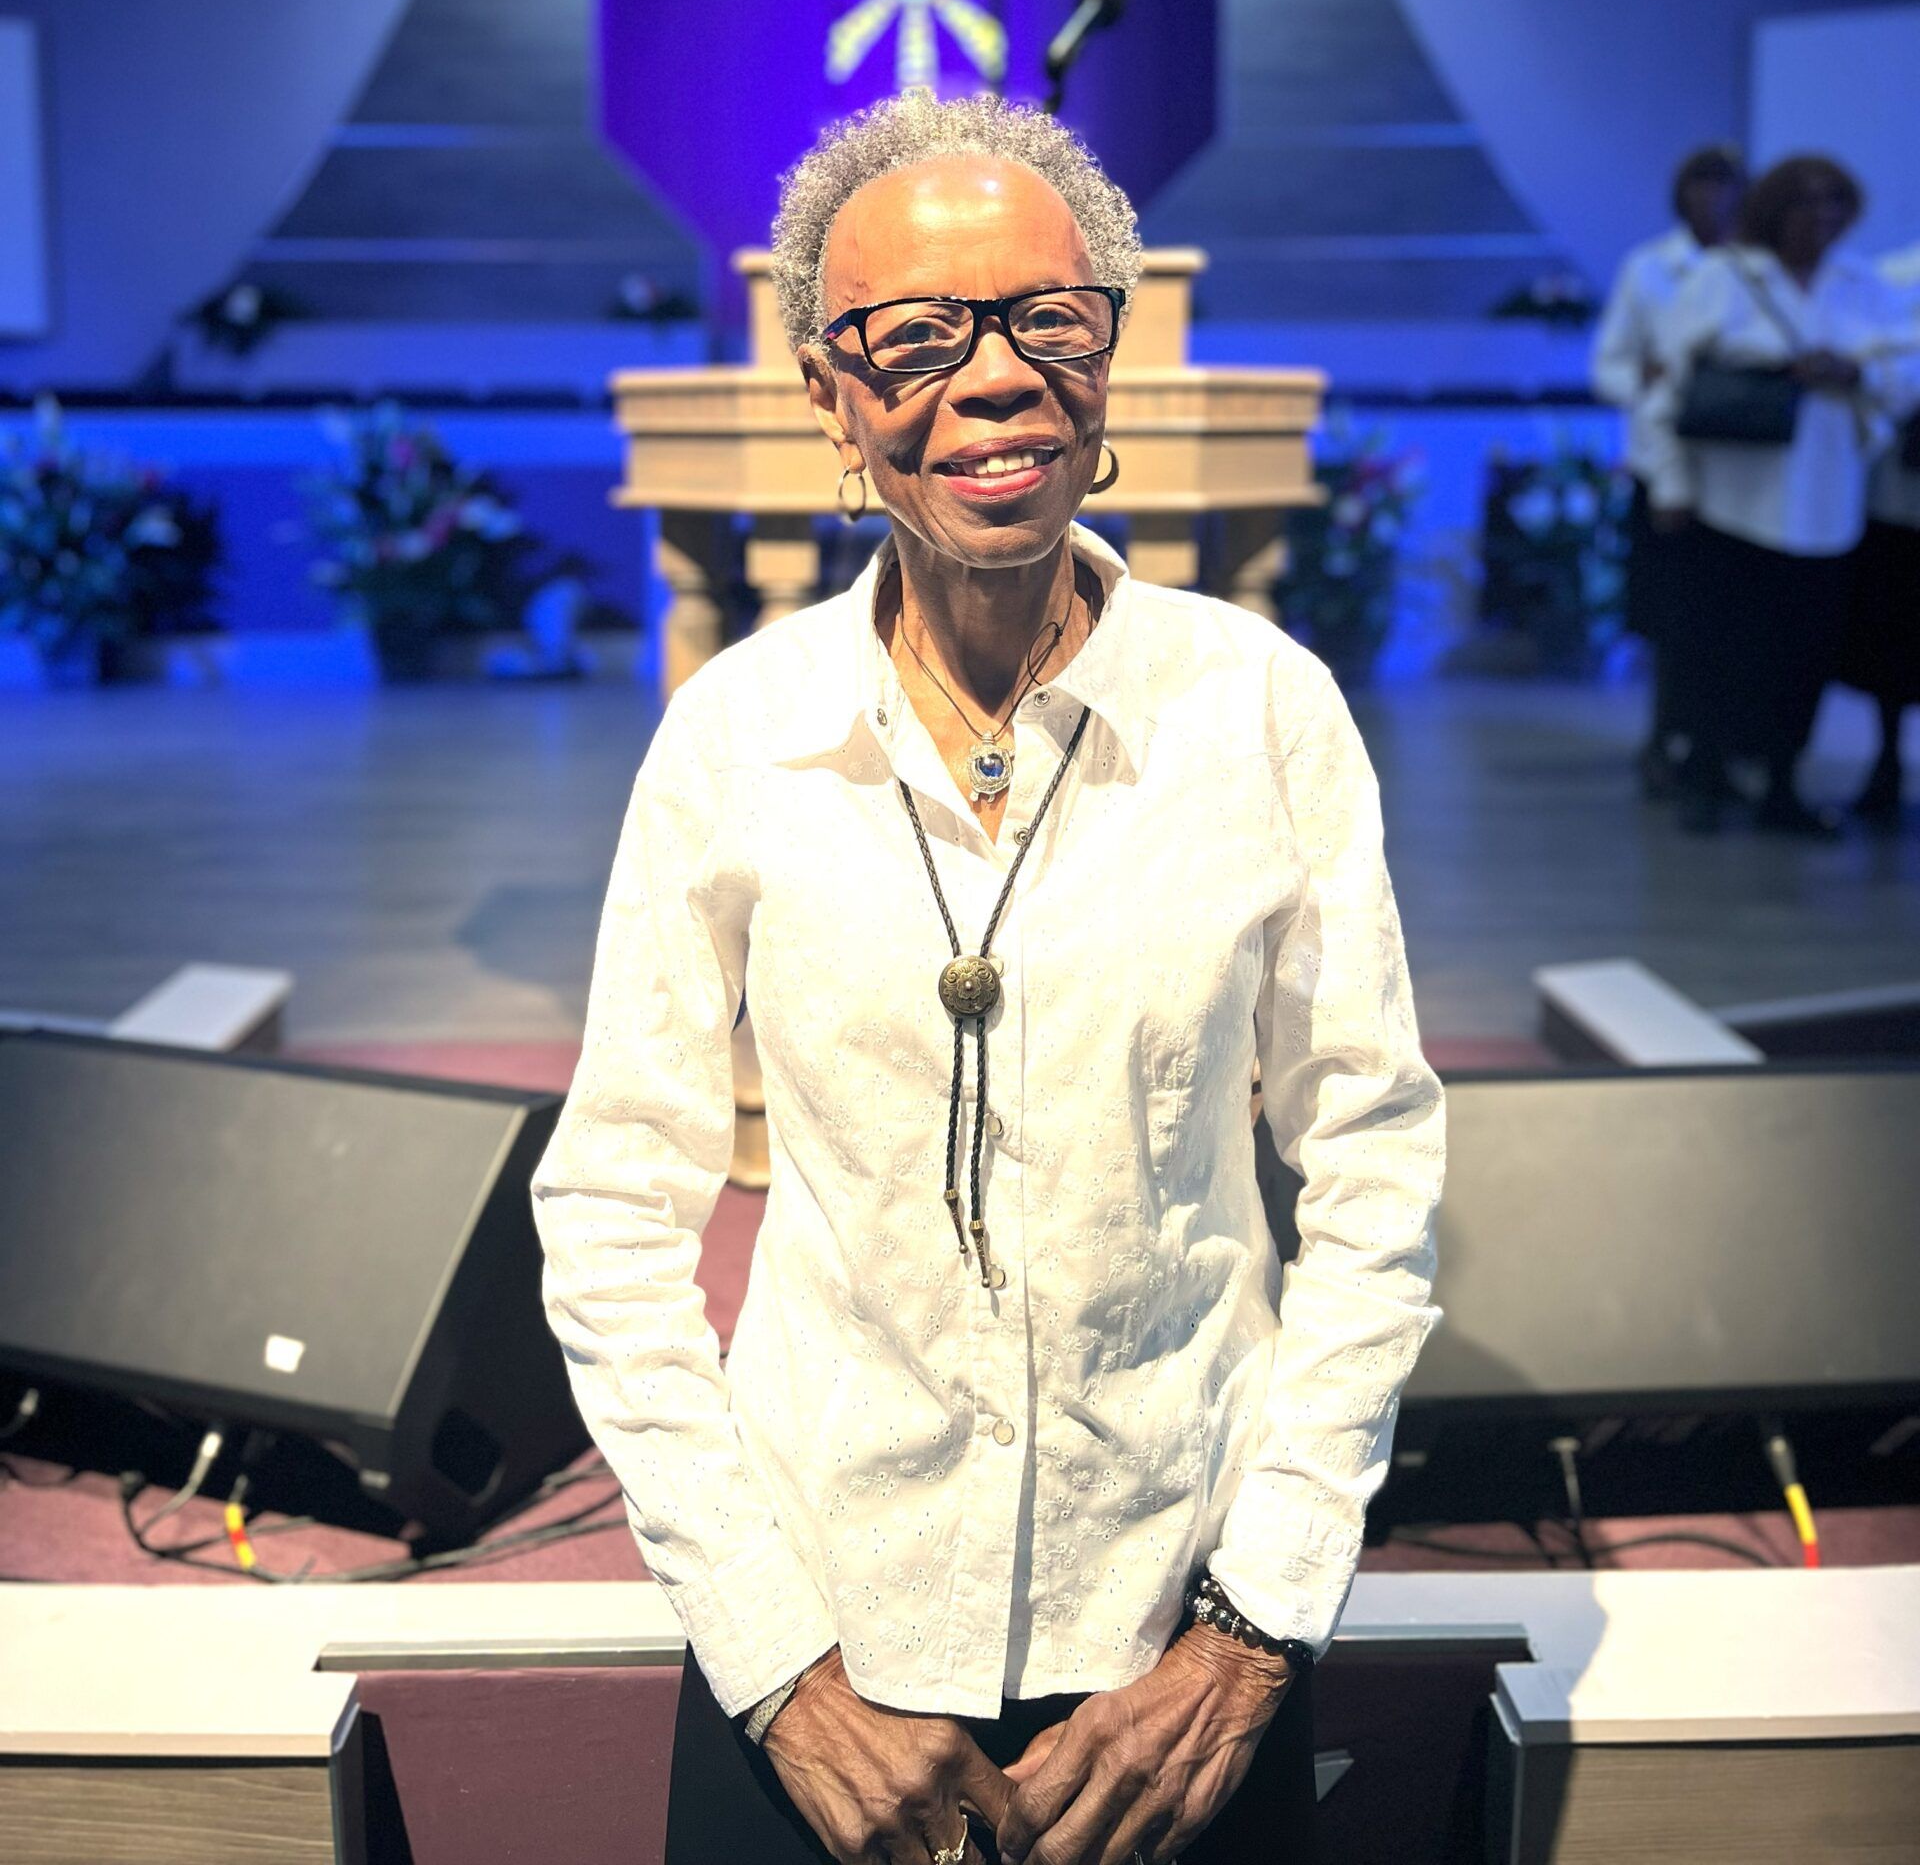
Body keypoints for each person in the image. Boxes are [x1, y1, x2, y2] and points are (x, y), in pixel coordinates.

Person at [532, 90, 1446, 1865]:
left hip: (1174, 1643)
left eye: (1046, 317)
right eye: (915, 336)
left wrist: (1255, 1632)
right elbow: (611, 1211)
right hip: (828, 1647)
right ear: (830, 394)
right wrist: (777, 1666)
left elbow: (1374, 1164)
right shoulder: (733, 735)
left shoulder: (1263, 711)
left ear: (1108, 356)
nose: (999, 374)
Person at [1643, 154, 1912, 838]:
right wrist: (1669, 484)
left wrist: (1851, 370)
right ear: (1774, 209)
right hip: (1730, 499)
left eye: (1833, 202)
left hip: (1827, 501)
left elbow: (1906, 372)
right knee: (1719, 649)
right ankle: (1705, 775)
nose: (1819, 216)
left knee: (1805, 657)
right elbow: (1666, 388)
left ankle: (1782, 786)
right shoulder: (1724, 277)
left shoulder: (1864, 283)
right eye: (1804, 202)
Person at [1590, 144, 1747, 795]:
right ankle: (1663, 740)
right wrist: (1648, 377)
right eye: (1699, 186)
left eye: (1724, 186)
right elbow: (1608, 367)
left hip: (1743, 472)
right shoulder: (1650, 268)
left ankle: (1723, 748)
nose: (1711, 199)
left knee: (1735, 623)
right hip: (1665, 467)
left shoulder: (1757, 272)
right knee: (1670, 619)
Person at [1834, 241, 1920, 822]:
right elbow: (1876, 364)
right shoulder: (1893, 274)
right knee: (1893, 639)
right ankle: (1886, 762)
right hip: (1898, 499)